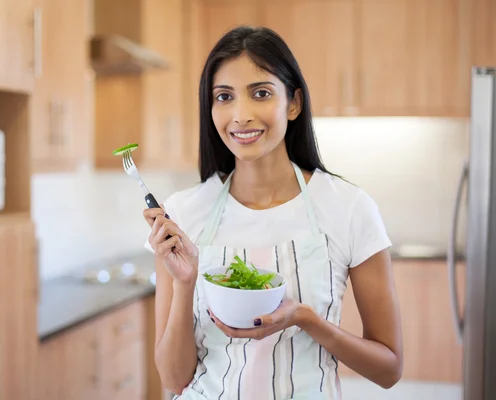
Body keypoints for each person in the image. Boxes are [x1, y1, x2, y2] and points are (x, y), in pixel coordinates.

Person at [143, 25, 403, 400]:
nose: (241, 115)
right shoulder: (183, 212)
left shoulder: (348, 208)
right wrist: (185, 285)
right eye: (224, 96)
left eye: (261, 93)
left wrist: (306, 320)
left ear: (293, 103)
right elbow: (173, 378)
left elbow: (389, 369)